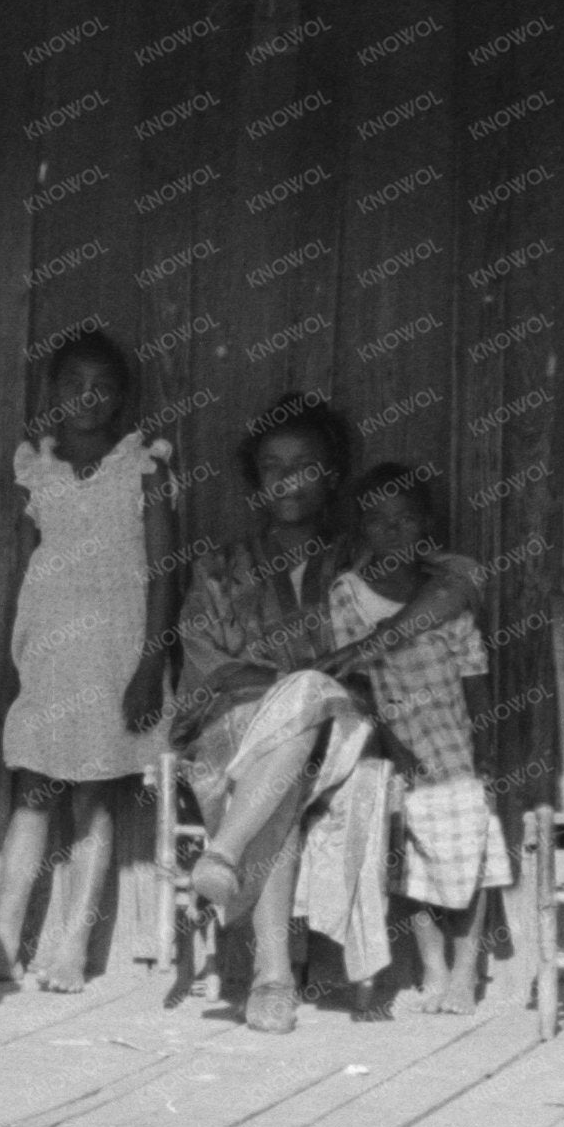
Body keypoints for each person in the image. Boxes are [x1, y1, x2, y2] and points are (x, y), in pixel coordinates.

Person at [0, 330, 173, 995]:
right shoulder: (36, 467)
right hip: (50, 645)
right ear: (53, 393)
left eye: (103, 386)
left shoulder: (145, 465)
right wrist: (12, 660)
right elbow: (26, 564)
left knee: (94, 795)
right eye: (74, 384)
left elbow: (166, 570)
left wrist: (149, 664)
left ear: (121, 397)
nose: (88, 396)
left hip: (116, 650)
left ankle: (75, 946)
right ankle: (1, 947)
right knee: (32, 792)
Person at [166, 396, 383, 1034]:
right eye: (272, 466)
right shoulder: (220, 565)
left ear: (332, 474)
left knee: (311, 692)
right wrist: (279, 689)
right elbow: (208, 666)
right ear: (256, 478)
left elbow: (379, 656)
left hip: (339, 735)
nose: (287, 480)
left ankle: (225, 849)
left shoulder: (359, 561)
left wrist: (294, 681)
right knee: (275, 764)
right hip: (240, 731)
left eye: (305, 465)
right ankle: (274, 978)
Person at [329, 463, 534, 1015]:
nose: (392, 532)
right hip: (392, 742)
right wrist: (393, 750)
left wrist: (484, 748)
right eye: (377, 521)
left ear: (424, 525)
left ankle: (466, 970)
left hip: (453, 740)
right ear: (361, 529)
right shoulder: (348, 594)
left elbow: (475, 674)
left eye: (404, 520)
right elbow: (356, 684)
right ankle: (433, 966)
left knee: (470, 855)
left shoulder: (448, 589)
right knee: (409, 863)